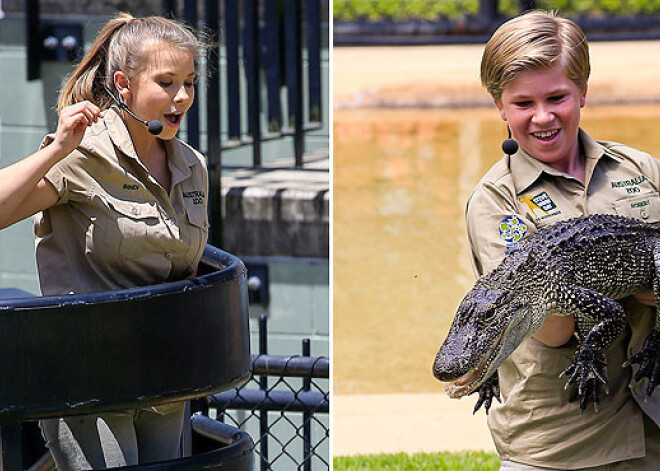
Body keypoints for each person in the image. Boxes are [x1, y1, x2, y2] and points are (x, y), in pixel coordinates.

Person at [3, 13, 209, 469]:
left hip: (163, 374)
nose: (182, 97)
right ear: (124, 83)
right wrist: (56, 148)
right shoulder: (83, 155)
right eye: (167, 82)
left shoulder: (192, 166)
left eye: (190, 83)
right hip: (89, 375)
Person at [468, 10, 660, 471]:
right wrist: (635, 281)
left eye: (557, 96)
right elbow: (550, 330)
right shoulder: (496, 200)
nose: (542, 117)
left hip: (653, 422)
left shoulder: (641, 169)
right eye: (522, 103)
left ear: (583, 93)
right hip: (562, 441)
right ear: (499, 106)